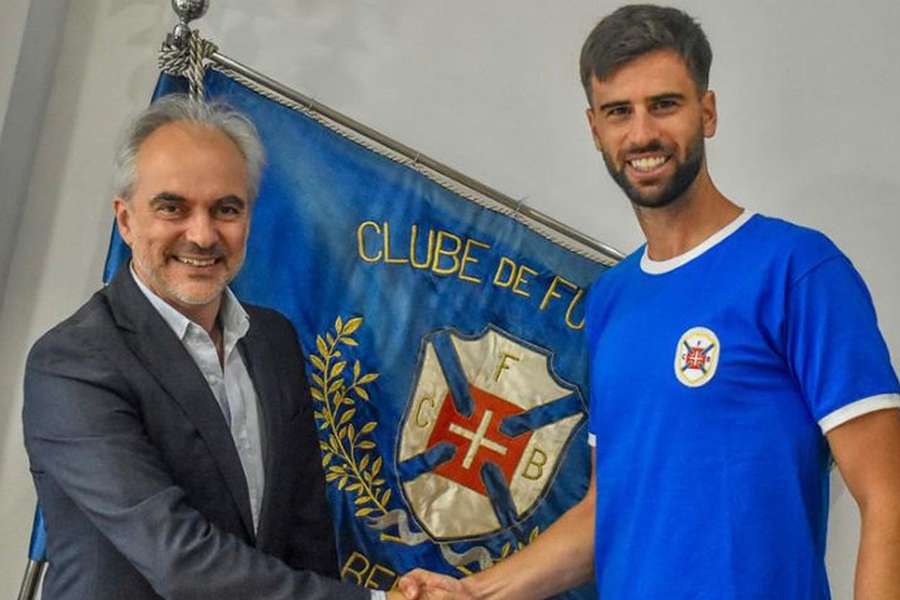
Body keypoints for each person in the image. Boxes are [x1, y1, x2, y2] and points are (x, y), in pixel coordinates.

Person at [398, 5, 900, 599]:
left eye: (665, 104)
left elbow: (888, 494)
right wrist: (473, 593)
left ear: (707, 113)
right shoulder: (613, 299)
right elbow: (608, 510)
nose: (642, 134)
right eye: (619, 112)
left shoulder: (796, 269)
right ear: (595, 129)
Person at [22, 95, 410, 599]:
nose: (202, 235)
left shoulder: (274, 341)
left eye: (226, 209)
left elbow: (306, 536)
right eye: (172, 208)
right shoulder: (72, 363)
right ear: (126, 220)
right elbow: (178, 557)